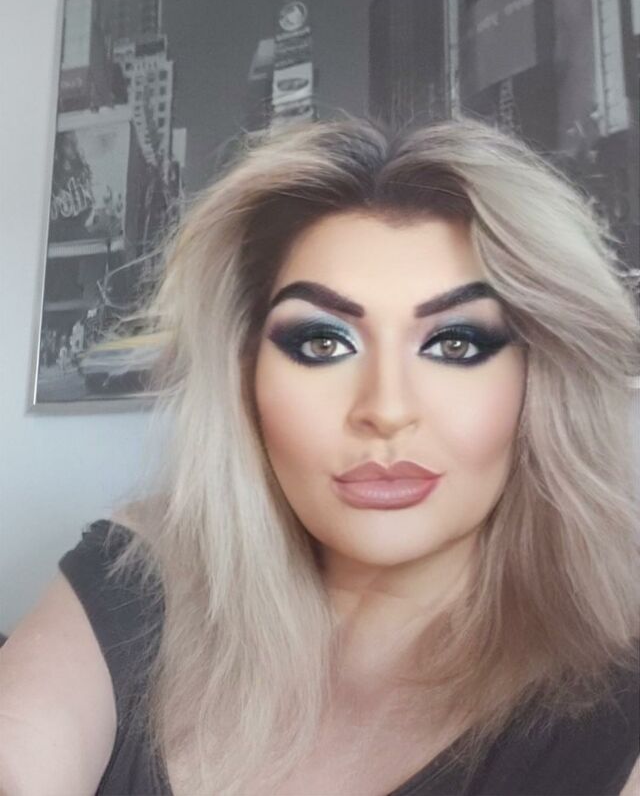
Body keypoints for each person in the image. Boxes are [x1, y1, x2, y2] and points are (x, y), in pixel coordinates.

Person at [1, 116, 638, 796]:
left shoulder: (616, 702)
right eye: (323, 343)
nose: (386, 409)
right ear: (245, 377)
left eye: (455, 343)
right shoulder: (137, 579)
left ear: (540, 379)